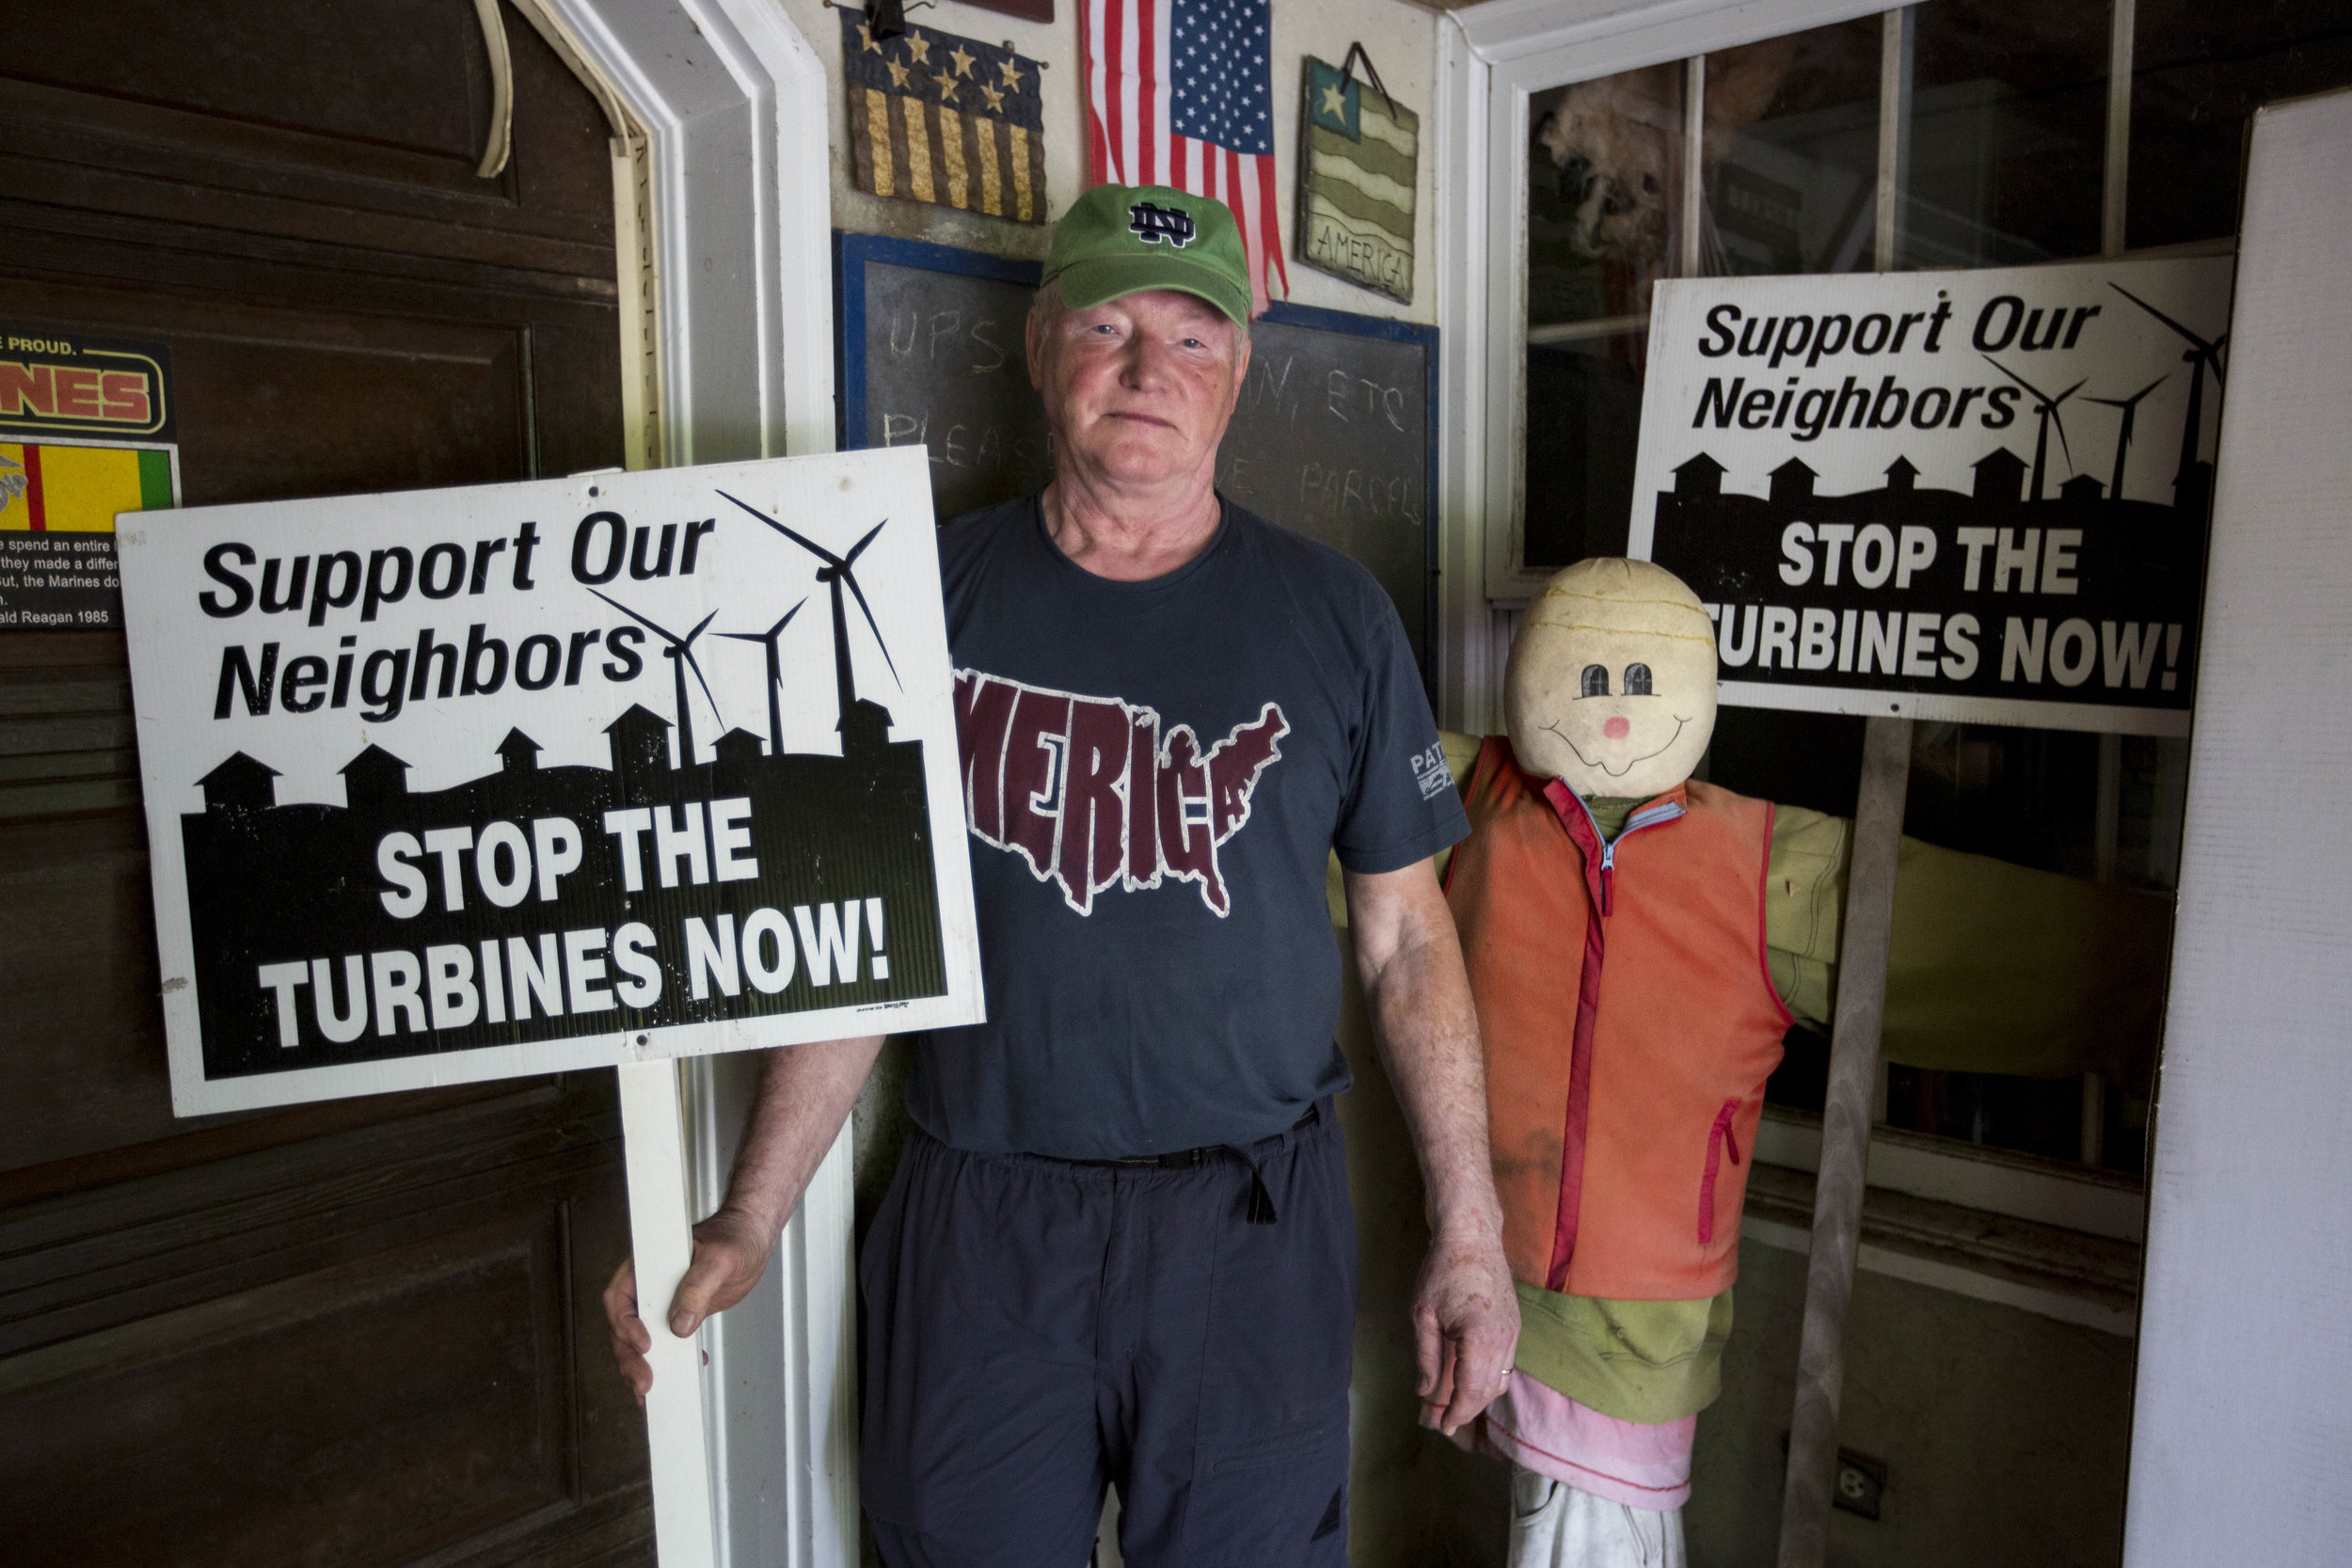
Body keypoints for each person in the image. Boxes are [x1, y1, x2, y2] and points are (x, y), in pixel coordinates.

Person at [602, 182, 1519, 1567]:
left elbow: (1406, 945)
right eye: (1106, 325)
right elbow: (861, 941)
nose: (1150, 370)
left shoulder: (1336, 617)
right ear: (1041, 351)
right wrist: (750, 1209)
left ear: (1239, 373)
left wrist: (1470, 1230)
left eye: (1194, 337)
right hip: (983, 1227)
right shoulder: (909, 595)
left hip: (1247, 1231)